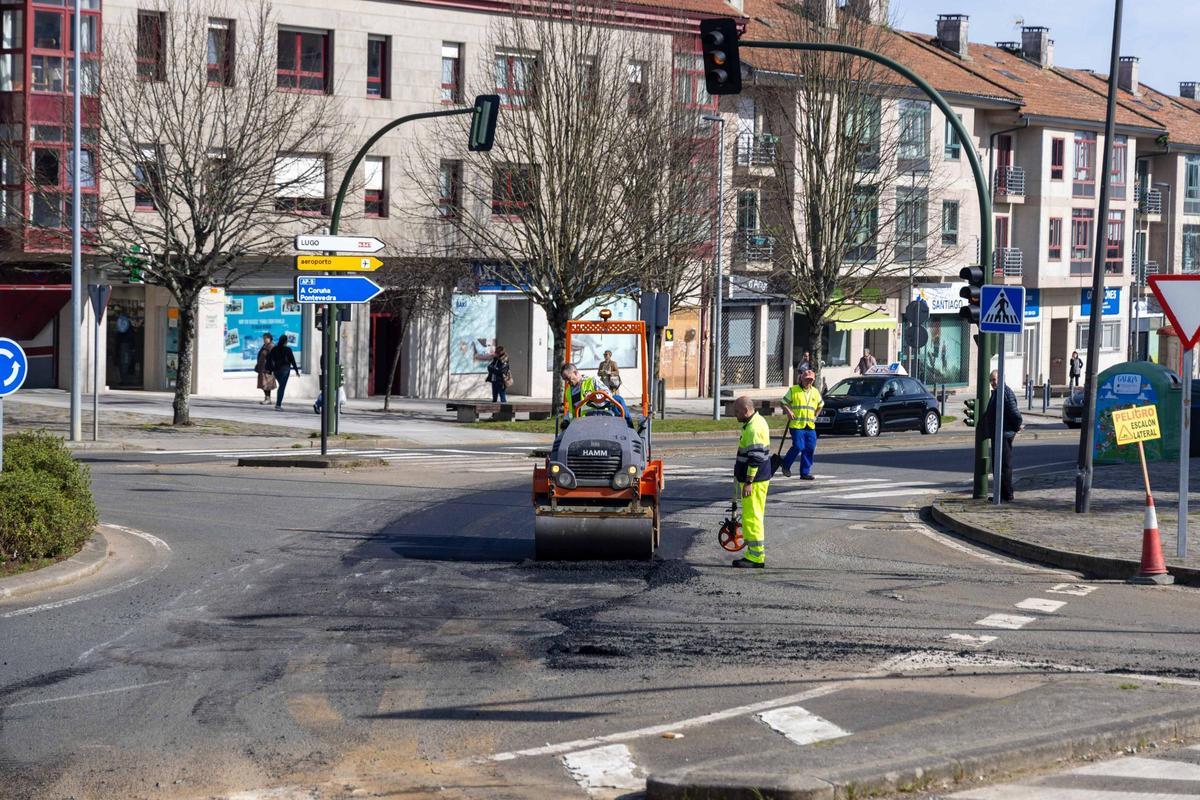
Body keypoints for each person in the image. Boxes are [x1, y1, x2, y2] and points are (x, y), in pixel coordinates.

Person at [732, 396, 773, 568]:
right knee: (752, 517)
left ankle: (756, 557)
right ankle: (752, 554)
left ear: (746, 410)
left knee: (753, 518)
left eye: (737, 412)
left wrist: (748, 482)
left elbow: (755, 458)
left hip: (754, 482)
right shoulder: (756, 422)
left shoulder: (754, 429)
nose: (735, 415)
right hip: (758, 480)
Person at [982, 369, 1023, 502]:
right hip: (997, 433)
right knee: (997, 465)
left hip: (1004, 434)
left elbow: (1015, 414)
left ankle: (1008, 494)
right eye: (991, 380)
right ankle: (1000, 494)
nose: (993, 383)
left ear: (1001, 379)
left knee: (1004, 465)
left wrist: (1016, 427)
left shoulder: (1005, 393)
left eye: (995, 379)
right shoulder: (996, 393)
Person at [780, 369, 823, 479]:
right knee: (799, 446)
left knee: (810, 448)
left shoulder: (815, 392)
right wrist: (789, 411)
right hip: (797, 425)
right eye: (806, 379)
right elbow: (783, 402)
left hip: (810, 425)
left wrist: (815, 416)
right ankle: (785, 465)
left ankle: (804, 473)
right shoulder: (794, 390)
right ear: (802, 379)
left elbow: (821, 404)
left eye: (811, 380)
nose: (808, 382)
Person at [268, 333, 300, 411]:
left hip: (276, 371)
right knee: (282, 387)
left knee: (281, 387)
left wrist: (270, 370)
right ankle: (278, 405)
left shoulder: (274, 349)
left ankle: (278, 404)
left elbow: (269, 359)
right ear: (286, 341)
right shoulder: (288, 349)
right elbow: (292, 360)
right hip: (285, 370)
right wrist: (296, 371)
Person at [254, 333, 275, 404]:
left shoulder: (272, 346)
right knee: (263, 384)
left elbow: (273, 358)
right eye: (263, 338)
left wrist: (272, 368)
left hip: (267, 368)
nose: (264, 340)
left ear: (269, 338)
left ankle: (268, 399)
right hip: (262, 367)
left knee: (267, 384)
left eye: (265, 338)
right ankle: (266, 398)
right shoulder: (265, 345)